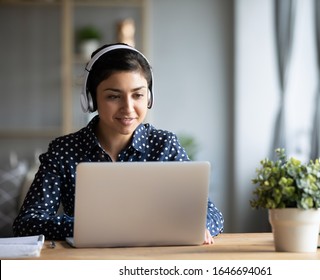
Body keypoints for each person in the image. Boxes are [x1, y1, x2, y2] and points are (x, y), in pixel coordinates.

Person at [13, 43, 224, 244]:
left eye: (138, 95)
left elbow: (212, 214)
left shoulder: (165, 145)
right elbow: (27, 223)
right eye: (114, 96)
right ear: (91, 99)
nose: (128, 108)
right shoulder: (64, 150)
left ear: (149, 97)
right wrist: (92, 227)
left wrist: (198, 226)